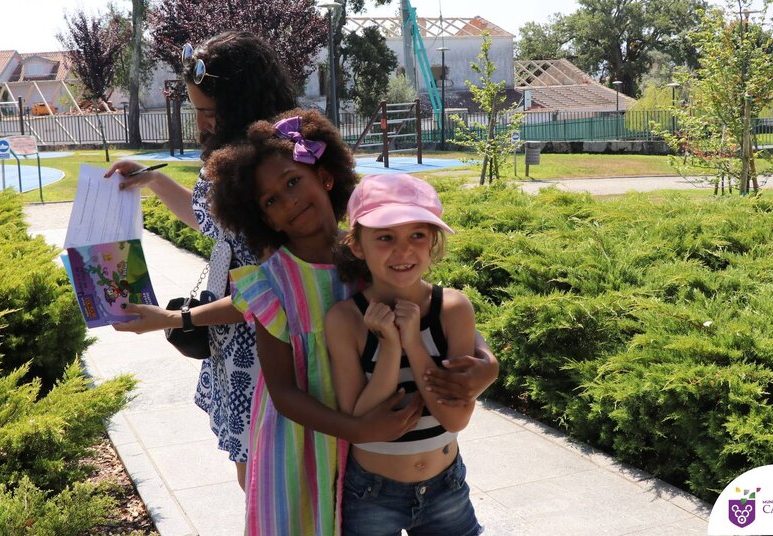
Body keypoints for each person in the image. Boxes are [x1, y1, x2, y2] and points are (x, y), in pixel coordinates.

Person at [207, 109, 498, 535]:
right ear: (263, 217)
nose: (288, 200)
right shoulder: (273, 282)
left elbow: (436, 309)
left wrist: (487, 362)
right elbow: (282, 391)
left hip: (379, 440)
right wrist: (358, 428)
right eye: (271, 201)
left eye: (293, 181)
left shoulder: (377, 247)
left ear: (325, 177)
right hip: (305, 441)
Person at [103, 30, 298, 489]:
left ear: (243, 103)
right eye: (195, 109)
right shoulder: (243, 159)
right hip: (238, 344)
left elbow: (270, 292)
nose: (201, 122)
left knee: (265, 486)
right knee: (255, 480)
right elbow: (213, 223)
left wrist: (176, 318)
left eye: (208, 111)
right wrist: (153, 180)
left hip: (267, 351)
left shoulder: (267, 172)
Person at [327, 174, 481, 535]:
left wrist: (413, 343)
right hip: (372, 494)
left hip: (447, 488)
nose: (403, 251)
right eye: (385, 237)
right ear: (357, 245)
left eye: (417, 235)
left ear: (433, 243)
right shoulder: (345, 320)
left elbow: (455, 418)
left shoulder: (453, 309)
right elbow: (359, 424)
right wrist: (391, 347)